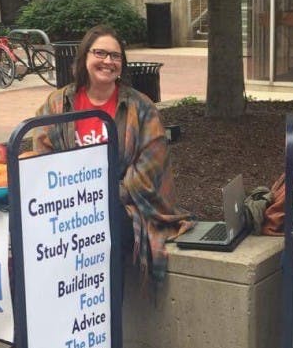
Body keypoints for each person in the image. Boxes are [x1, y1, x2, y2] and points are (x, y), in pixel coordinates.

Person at [32, 25, 193, 284]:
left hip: (124, 205)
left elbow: (147, 172)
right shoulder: (57, 103)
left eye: (115, 56)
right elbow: (42, 156)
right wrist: (71, 199)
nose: (108, 61)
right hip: (67, 205)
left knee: (106, 233)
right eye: (100, 53)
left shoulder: (140, 108)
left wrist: (96, 197)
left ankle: (104, 318)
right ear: (84, 57)